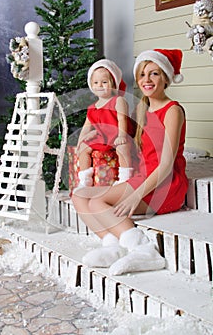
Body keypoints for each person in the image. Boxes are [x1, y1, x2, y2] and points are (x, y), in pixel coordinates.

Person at [72, 49, 188, 276]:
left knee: (96, 203)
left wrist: (135, 194)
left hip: (164, 185)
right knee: (79, 196)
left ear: (165, 77)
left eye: (154, 74)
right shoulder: (142, 109)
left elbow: (165, 164)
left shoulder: (172, 110)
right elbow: (119, 137)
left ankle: (145, 251)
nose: (147, 80)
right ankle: (112, 246)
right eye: (142, 74)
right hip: (142, 177)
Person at [76, 59, 135, 188]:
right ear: (91, 85)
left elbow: (122, 119)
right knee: (84, 149)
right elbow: (87, 127)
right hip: (103, 137)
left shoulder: (118, 100)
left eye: (104, 82)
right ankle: (85, 179)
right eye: (96, 82)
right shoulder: (92, 107)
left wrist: (122, 136)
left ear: (113, 84)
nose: (100, 86)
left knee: (123, 148)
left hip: (118, 134)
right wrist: (80, 141)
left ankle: (125, 178)